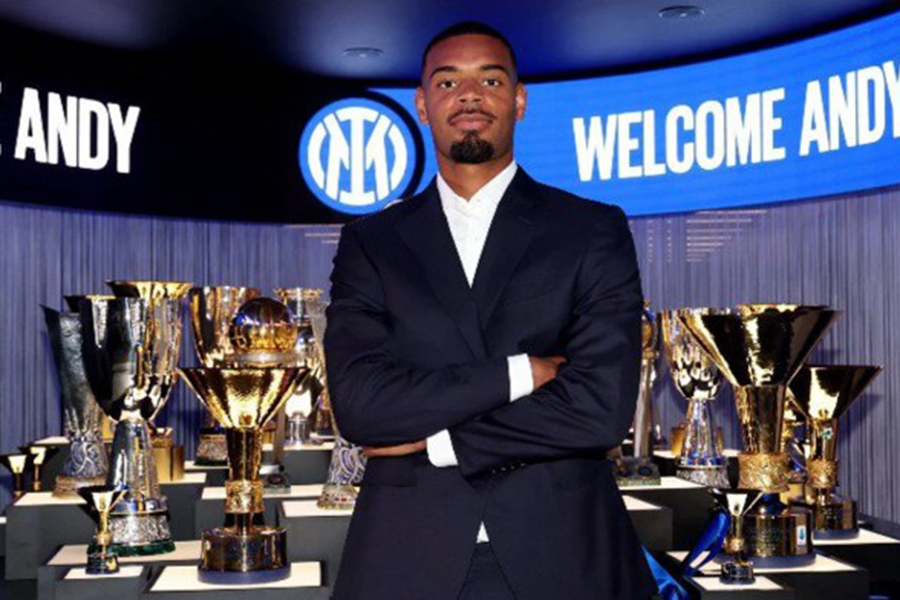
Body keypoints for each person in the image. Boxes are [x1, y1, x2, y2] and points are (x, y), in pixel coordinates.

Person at [324, 20, 655, 600]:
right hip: (406, 555)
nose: (470, 95)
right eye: (448, 82)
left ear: (519, 101)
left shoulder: (590, 230)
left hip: (564, 554)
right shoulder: (371, 243)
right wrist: (521, 373)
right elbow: (362, 407)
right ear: (422, 105)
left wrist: (439, 443)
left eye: (491, 80)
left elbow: (600, 410)